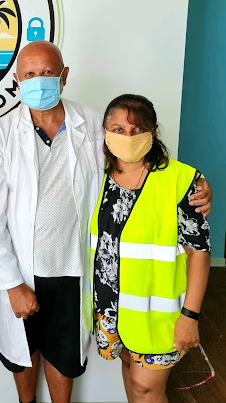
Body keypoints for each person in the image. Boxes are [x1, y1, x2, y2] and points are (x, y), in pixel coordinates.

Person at [0, 40, 212, 403]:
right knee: (23, 351)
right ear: (17, 81)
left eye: (48, 72)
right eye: (30, 74)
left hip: (75, 267)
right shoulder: (0, 133)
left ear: (64, 75)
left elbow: (138, 161)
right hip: (23, 271)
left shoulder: (94, 123)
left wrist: (196, 186)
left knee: (65, 355)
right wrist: (10, 283)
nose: (39, 80)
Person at [90, 94, 211, 403]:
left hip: (159, 314)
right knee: (129, 369)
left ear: (153, 131)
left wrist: (190, 316)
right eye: (118, 129)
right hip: (111, 307)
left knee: (146, 388)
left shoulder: (181, 180)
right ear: (105, 131)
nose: (128, 137)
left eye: (138, 129)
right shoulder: (95, 175)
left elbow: (199, 252)